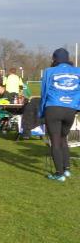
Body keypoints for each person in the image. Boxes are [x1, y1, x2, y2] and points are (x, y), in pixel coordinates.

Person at [39, 48, 80, 181]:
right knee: (64, 139)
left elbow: (44, 92)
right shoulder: (78, 71)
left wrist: (41, 112)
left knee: (55, 141)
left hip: (53, 108)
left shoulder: (49, 71)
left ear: (55, 59)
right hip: (70, 110)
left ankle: (59, 174)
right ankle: (67, 169)